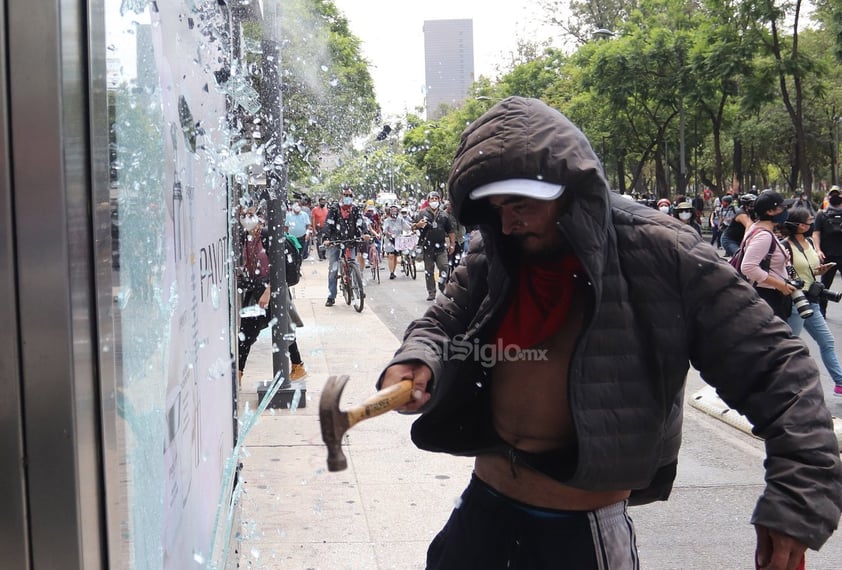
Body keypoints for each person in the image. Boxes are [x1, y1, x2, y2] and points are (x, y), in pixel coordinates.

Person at [377, 97, 841, 569]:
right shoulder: (495, 247)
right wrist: (418, 358)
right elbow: (443, 321)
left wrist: (795, 500)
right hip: (483, 509)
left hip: (581, 531)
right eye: (495, 208)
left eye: (519, 203)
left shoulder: (663, 250)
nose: (507, 222)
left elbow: (777, 366)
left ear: (569, 187)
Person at [236, 204, 307, 385]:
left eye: (250, 214)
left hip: (271, 291)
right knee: (255, 330)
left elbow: (279, 266)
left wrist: (269, 291)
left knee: (272, 328)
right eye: (242, 214)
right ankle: (298, 365)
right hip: (256, 290)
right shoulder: (246, 237)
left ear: (258, 216)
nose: (246, 218)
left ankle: (239, 373)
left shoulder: (267, 235)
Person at [781, 207, 842, 397]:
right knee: (789, 346)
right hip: (796, 301)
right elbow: (785, 272)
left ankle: (839, 383)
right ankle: (779, 384)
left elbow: (809, 269)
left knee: (827, 342)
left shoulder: (808, 242)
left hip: (812, 300)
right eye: (809, 221)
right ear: (798, 225)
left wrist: (820, 270)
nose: (812, 223)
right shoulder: (785, 246)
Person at [322, 186, 368, 307]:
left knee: (354, 264)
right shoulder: (334, 209)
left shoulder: (355, 209)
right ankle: (331, 296)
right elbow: (328, 224)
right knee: (333, 269)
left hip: (351, 240)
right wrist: (326, 239)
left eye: (350, 195)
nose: (348, 197)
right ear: (341, 196)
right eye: (345, 195)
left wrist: (366, 233)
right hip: (335, 242)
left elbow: (361, 222)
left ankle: (358, 289)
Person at [412, 191, 456, 301]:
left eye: (436, 199)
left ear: (439, 200)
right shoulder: (422, 213)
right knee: (429, 271)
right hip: (427, 248)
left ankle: (442, 286)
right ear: (428, 201)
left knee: (444, 267)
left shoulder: (444, 215)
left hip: (441, 247)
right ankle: (431, 292)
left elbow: (451, 231)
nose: (434, 201)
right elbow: (413, 227)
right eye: (432, 199)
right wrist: (418, 225)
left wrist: (452, 244)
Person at [812, 185, 842, 317]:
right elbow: (816, 234)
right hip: (828, 255)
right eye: (832, 194)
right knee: (824, 287)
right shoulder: (821, 215)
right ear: (828, 197)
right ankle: (821, 312)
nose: (835, 196)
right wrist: (818, 250)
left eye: (838, 194)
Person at [381, 204, 412, 279]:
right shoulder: (387, 220)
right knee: (391, 256)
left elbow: (407, 227)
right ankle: (391, 272)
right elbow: (385, 230)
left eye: (395, 211)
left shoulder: (400, 220)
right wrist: (388, 233)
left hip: (398, 240)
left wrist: (413, 228)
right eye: (392, 211)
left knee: (395, 256)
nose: (394, 212)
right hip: (389, 240)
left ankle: (393, 271)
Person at [311, 196, 329, 260]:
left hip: (325, 228)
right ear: (319, 202)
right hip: (318, 227)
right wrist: (314, 229)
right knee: (319, 242)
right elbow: (313, 220)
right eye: (322, 202)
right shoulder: (315, 209)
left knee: (324, 242)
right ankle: (320, 256)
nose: (323, 203)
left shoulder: (326, 210)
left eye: (324, 202)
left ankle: (324, 255)